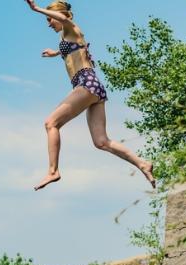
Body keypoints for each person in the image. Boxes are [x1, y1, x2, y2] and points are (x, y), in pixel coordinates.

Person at [24, 0, 156, 190]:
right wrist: (55, 53)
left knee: (51, 123)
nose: (49, 23)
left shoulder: (71, 27)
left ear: (59, 16)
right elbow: (72, 51)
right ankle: (143, 163)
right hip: (93, 88)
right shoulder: (65, 36)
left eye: (49, 19)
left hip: (86, 84)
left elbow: (62, 19)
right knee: (101, 141)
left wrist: (36, 9)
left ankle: (53, 171)